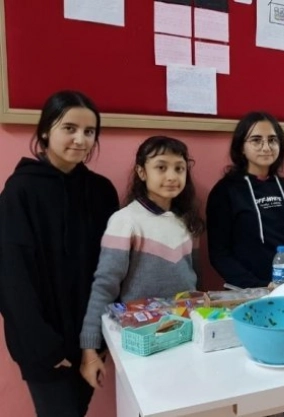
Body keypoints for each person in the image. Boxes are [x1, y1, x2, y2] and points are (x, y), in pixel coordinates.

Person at [0, 90, 119, 417]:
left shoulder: (101, 191)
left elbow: (110, 268)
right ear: (44, 132)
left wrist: (96, 340)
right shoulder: (20, 191)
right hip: (43, 346)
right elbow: (12, 276)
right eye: (69, 128)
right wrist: (45, 348)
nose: (80, 139)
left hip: (90, 339)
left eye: (89, 131)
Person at [79, 136, 204, 389]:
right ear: (141, 172)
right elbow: (105, 285)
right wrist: (89, 348)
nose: (172, 176)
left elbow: (195, 281)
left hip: (185, 331)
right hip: (142, 337)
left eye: (179, 168)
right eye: (161, 167)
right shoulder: (125, 220)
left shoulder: (187, 222)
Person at [207, 112, 284, 289]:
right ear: (241, 147)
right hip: (247, 292)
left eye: (272, 140)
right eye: (256, 140)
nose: (266, 147)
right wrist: (260, 286)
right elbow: (220, 255)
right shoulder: (225, 191)